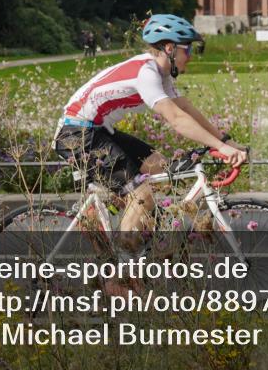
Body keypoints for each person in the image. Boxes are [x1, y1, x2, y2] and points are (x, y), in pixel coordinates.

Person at [52, 14, 248, 250]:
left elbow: (184, 107)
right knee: (141, 193)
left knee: (159, 167)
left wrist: (224, 141)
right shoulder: (146, 74)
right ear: (169, 48)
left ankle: (119, 219)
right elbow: (176, 119)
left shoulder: (160, 73)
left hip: (99, 130)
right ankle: (123, 269)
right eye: (188, 50)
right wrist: (221, 147)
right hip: (77, 135)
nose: (191, 56)